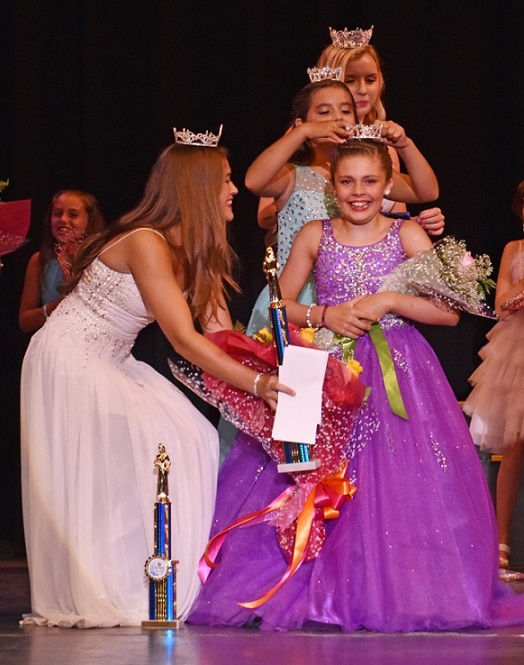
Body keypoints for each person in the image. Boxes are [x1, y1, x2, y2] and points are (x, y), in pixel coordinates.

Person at [188, 139, 524, 632]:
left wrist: (389, 300)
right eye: (347, 182)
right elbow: (278, 305)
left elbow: (448, 313)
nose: (359, 192)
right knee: (316, 476)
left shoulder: (406, 235)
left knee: (392, 482)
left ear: (388, 184)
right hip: (327, 368)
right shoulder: (314, 234)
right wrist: (327, 313)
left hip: (397, 371)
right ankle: (319, 585)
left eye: (370, 181)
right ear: (333, 187)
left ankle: (387, 587)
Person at [20, 131, 292, 628]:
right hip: (70, 357)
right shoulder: (147, 242)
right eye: (227, 180)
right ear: (198, 187)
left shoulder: (196, 250)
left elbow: (218, 334)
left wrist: (277, 363)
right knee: (154, 446)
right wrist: (258, 388)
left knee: (195, 436)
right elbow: (185, 340)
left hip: (111, 358)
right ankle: (118, 583)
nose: (235, 190)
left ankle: (160, 577)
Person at [245, 77, 439, 335]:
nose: (336, 118)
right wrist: (301, 132)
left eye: (346, 111)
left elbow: (426, 190)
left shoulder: (363, 179)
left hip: (347, 297)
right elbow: (253, 181)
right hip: (297, 299)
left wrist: (404, 144)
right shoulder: (292, 175)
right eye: (324, 112)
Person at [316, 24, 445, 232]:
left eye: (370, 80)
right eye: (350, 81)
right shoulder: (309, 141)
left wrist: (416, 222)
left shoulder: (385, 147)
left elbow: (422, 196)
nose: (363, 90)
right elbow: (266, 211)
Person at [463, 180, 524, 569]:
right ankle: (500, 543)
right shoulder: (513, 250)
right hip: (517, 352)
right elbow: (502, 303)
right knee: (515, 444)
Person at [19, 189, 105, 332]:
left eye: (73, 215)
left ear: (89, 219)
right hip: (53, 343)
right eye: (57, 214)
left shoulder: (102, 258)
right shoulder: (39, 261)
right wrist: (55, 307)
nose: (63, 220)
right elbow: (25, 322)